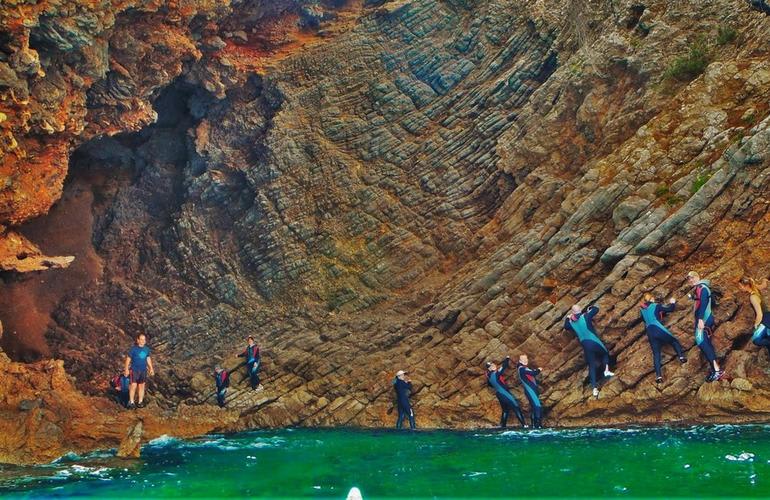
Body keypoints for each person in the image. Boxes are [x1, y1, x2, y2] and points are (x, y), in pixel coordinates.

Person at [564, 304, 614, 398]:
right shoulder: (585, 316)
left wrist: (568, 317)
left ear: (573, 313)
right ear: (580, 310)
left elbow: (566, 326)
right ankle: (606, 370)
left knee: (591, 365)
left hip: (585, 345)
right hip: (594, 341)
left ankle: (594, 388)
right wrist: (589, 308)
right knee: (605, 353)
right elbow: (596, 309)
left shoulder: (571, 322)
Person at [639, 293, 687, 384]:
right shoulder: (655, 305)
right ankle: (681, 357)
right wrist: (672, 303)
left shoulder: (642, 309)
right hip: (657, 328)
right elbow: (670, 309)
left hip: (650, 332)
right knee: (674, 341)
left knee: (656, 354)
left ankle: (658, 376)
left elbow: (645, 319)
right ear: (651, 299)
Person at [686, 271, 724, 382]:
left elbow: (703, 303)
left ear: (698, 277)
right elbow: (700, 302)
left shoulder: (702, 287)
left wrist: (701, 319)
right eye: (689, 279)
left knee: (701, 341)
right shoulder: (699, 288)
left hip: (705, 319)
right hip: (704, 319)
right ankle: (715, 370)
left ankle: (717, 371)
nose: (691, 280)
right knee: (705, 342)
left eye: (692, 278)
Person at [485, 357, 526, 428]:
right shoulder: (496, 373)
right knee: (516, 407)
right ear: (489, 369)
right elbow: (504, 366)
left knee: (505, 410)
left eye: (493, 365)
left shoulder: (488, 376)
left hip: (499, 394)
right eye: (491, 366)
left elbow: (490, 385)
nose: (493, 366)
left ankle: (503, 426)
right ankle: (524, 425)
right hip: (504, 393)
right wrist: (507, 359)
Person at [738, 277, 770, 357]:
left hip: (765, 319)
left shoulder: (753, 297)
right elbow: (763, 285)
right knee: (767, 337)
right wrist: (764, 280)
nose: (740, 288)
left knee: (756, 339)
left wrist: (756, 325)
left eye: (741, 286)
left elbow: (759, 314)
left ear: (746, 286)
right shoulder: (755, 289)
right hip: (767, 317)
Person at [123, 333, 154, 409]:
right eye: (141, 339)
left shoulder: (146, 349)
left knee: (142, 386)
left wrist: (151, 368)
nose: (143, 341)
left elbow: (148, 359)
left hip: (143, 370)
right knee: (133, 386)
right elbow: (128, 359)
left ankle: (140, 402)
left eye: (144, 339)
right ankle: (131, 402)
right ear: (138, 340)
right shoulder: (133, 349)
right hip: (134, 370)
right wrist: (126, 369)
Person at [517, 354, 543, 428]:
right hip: (530, 390)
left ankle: (534, 426)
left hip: (532, 390)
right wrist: (539, 370)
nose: (525, 360)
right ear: (520, 361)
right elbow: (533, 373)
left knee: (535, 407)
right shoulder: (522, 368)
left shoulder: (523, 367)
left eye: (526, 359)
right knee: (537, 406)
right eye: (523, 359)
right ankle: (537, 426)